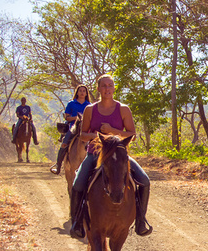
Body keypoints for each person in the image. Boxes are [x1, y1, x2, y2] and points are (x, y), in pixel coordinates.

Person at [69, 74, 152, 238]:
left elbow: (132, 134)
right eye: (104, 86)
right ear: (98, 89)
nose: (107, 89)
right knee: (77, 184)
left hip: (119, 158)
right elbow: (82, 135)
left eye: (110, 85)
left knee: (144, 181)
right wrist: (97, 135)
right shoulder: (90, 109)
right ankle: (77, 222)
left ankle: (141, 220)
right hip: (95, 156)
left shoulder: (123, 109)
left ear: (114, 88)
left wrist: (112, 131)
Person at [50, 85, 91, 175]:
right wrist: (76, 118)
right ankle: (58, 165)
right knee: (64, 144)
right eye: (80, 90)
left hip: (86, 129)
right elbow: (67, 118)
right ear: (77, 92)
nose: (82, 92)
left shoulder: (89, 105)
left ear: (86, 93)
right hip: (73, 128)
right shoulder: (71, 103)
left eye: (84, 91)